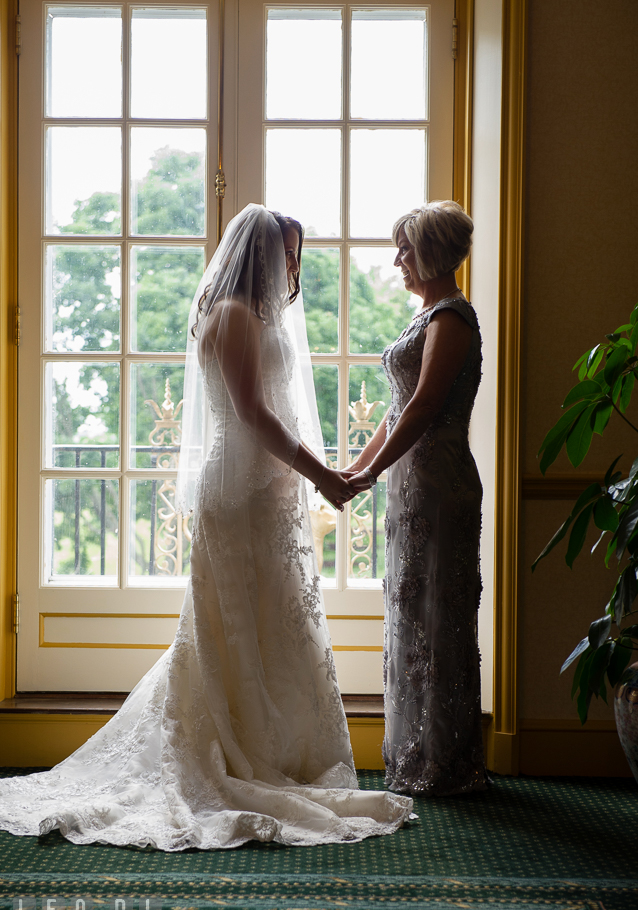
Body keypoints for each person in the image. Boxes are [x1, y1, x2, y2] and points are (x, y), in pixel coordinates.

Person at [0, 204, 413, 849]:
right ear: (260, 257)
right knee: (227, 627)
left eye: (296, 255)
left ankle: (273, 747)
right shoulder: (230, 318)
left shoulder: (257, 316)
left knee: (269, 621)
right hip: (240, 491)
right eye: (287, 255)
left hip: (265, 491)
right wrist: (323, 477)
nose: (293, 268)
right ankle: (230, 750)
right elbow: (253, 414)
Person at [346, 201, 487, 797]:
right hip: (411, 486)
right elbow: (400, 409)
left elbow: (427, 405)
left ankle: (445, 762)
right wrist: (357, 469)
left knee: (439, 615)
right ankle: (415, 753)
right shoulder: (425, 316)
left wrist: (373, 471)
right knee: (412, 611)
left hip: (438, 482)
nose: (398, 261)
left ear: (429, 254)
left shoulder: (451, 318)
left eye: (405, 250)